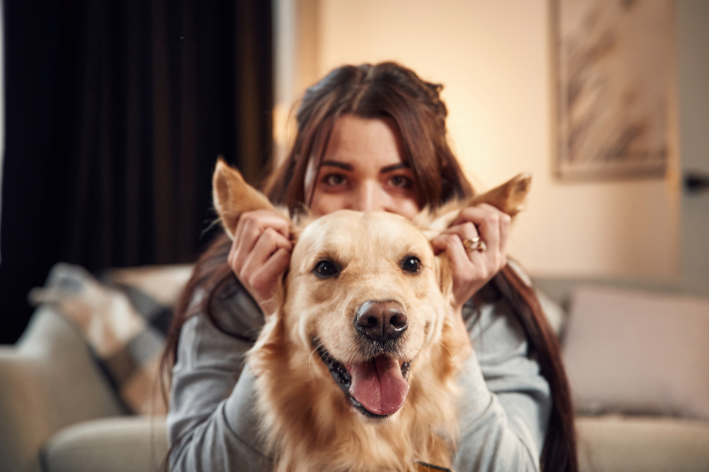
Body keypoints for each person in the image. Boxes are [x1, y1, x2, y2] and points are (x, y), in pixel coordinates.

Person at [162, 62, 578, 472]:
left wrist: (447, 316)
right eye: (336, 179)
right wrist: (279, 317)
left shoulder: (495, 293)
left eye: (398, 181)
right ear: (299, 184)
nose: (366, 206)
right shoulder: (225, 294)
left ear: (433, 186)